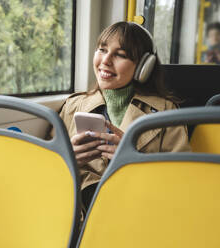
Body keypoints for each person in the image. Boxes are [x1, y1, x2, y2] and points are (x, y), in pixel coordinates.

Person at [54, 21, 190, 211]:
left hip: (139, 211)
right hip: (80, 218)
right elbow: (47, 171)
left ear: (144, 67)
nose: (105, 61)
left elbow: (182, 181)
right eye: (102, 50)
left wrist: (136, 160)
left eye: (120, 55)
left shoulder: (166, 112)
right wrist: (65, 159)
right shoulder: (72, 106)